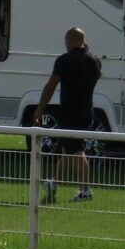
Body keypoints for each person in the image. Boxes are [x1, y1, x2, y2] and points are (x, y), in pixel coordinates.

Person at [33, 26, 102, 203]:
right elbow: (98, 75)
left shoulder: (63, 61)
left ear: (69, 41)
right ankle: (54, 183)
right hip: (87, 111)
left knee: (77, 151)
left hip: (70, 111)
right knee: (66, 148)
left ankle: (86, 190)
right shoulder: (94, 61)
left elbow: (50, 87)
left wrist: (40, 108)